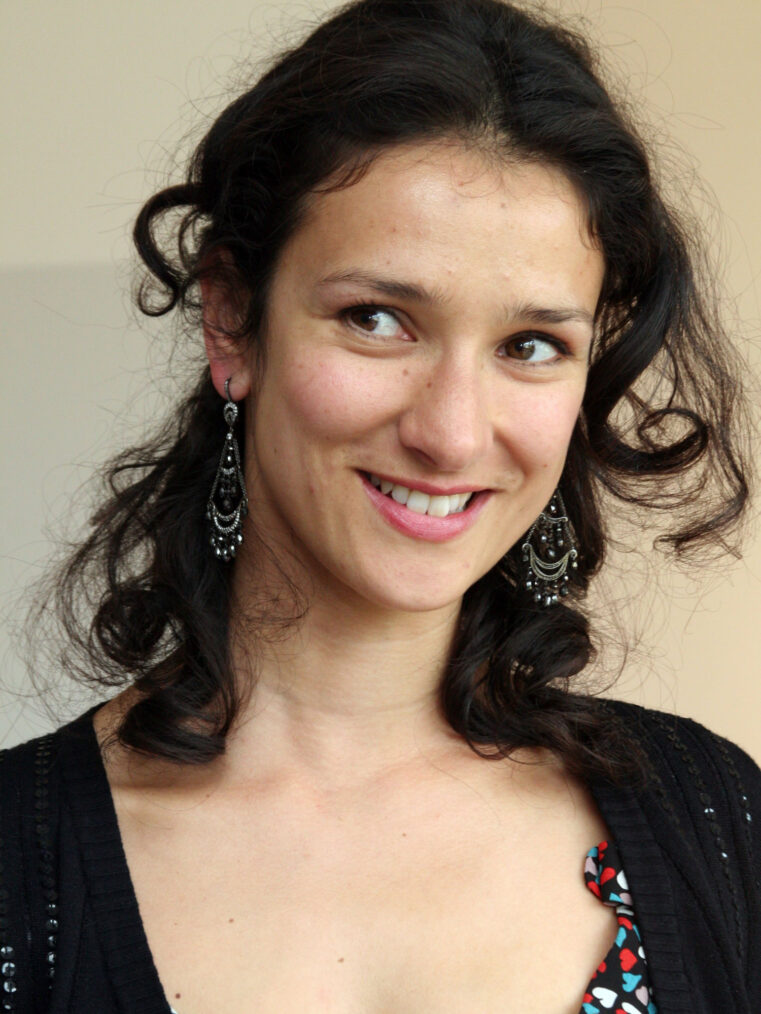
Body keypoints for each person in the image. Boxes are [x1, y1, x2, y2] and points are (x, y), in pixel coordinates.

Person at [1, 0, 759, 1011]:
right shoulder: (17, 866)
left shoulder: (715, 816)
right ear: (230, 319)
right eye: (377, 320)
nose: (450, 432)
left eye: (530, 345)